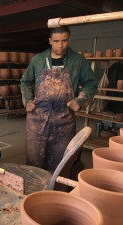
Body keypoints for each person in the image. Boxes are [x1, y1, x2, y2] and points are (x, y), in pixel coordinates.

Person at [21, 26, 98, 171]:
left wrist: (80, 100)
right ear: (50, 41)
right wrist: (27, 100)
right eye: (56, 41)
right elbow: (25, 82)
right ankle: (37, 191)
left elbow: (91, 84)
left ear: (70, 40)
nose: (60, 45)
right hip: (37, 118)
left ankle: (58, 190)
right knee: (34, 160)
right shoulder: (38, 60)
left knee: (62, 160)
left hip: (64, 119)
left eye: (64, 41)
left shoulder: (78, 60)